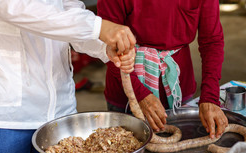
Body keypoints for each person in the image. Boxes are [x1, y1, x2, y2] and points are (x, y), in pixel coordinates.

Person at [0, 0, 136, 153]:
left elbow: (70, 11)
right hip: (6, 116)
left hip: (58, 111)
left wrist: (104, 47)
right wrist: (99, 27)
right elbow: (13, 7)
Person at [97, 0, 229, 140]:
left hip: (179, 90)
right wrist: (140, 95)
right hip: (126, 93)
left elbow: (211, 40)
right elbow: (107, 45)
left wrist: (210, 96)